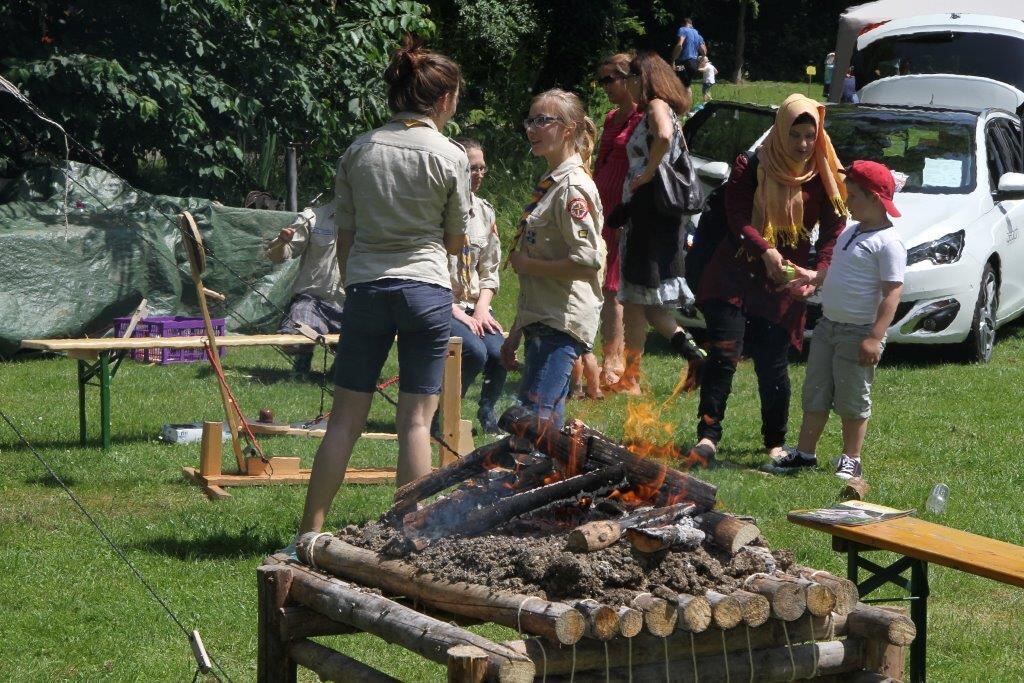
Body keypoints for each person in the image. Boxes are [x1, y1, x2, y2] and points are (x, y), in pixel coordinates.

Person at [292, 37, 470, 543]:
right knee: (416, 423)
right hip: (426, 289)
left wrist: (355, 285)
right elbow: (455, 239)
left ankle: (308, 533)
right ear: (443, 100)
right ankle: (408, 536)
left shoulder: (360, 150)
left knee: (343, 421)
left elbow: (344, 237)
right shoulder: (450, 155)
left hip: (367, 288)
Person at [691, 93, 847, 466]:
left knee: (773, 363)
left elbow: (833, 230)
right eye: (795, 134)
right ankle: (708, 436)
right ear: (779, 131)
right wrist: (766, 250)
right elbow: (736, 216)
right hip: (736, 270)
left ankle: (775, 441)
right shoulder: (751, 165)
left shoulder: (822, 173)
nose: (803, 144)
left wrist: (819, 273)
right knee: (724, 355)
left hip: (784, 281)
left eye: (810, 136)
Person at [769, 160, 905, 479]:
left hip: (858, 333)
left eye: (853, 195)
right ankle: (805, 454)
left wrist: (874, 337)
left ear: (875, 199)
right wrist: (812, 277)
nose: (847, 201)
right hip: (828, 327)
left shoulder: (888, 243)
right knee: (815, 392)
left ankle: (851, 458)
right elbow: (837, 271)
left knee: (852, 397)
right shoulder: (851, 232)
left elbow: (892, 294)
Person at [500, 89, 605, 428]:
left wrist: (528, 265)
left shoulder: (572, 189)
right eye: (530, 120)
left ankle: (537, 463)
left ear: (569, 129)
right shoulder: (552, 184)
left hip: (560, 321)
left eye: (543, 121)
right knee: (541, 422)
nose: (532, 129)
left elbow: (586, 262)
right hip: (542, 317)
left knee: (536, 422)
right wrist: (516, 331)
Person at [605, 51, 706, 397]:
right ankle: (695, 356)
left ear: (643, 78)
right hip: (652, 216)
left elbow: (662, 137)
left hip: (649, 218)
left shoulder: (656, 107)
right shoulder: (664, 108)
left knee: (635, 299)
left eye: (632, 77)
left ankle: (631, 379)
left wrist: (647, 173)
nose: (628, 84)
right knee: (649, 303)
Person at [593, 52, 645, 390]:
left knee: (614, 287)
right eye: (602, 81)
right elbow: (601, 161)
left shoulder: (644, 117)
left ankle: (616, 363)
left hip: (626, 208)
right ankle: (607, 356)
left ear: (628, 79)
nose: (605, 86)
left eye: (610, 79)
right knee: (602, 282)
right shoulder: (612, 117)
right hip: (602, 206)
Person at [448, 138, 507, 434]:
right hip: (445, 305)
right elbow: (428, 273)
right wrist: (460, 314)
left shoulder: (485, 212)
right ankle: (446, 414)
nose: (479, 174)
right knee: (473, 351)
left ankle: (487, 412)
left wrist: (482, 309)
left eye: (482, 168)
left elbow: (489, 270)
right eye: (473, 168)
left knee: (500, 353)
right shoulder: (438, 212)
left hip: (475, 305)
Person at [264, 199, 345, 374]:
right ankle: (302, 361)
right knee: (294, 338)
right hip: (312, 301)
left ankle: (342, 366)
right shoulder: (312, 217)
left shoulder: (370, 221)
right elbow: (276, 255)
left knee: (366, 343)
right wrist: (282, 242)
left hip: (352, 305)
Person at [670, 18, 707, 92]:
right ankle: (687, 99)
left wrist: (673, 60)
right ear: (691, 24)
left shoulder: (683, 29)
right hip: (693, 64)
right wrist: (701, 61)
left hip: (683, 63)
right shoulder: (698, 35)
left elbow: (679, 45)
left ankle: (680, 99)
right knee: (687, 85)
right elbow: (704, 51)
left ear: (683, 24)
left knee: (679, 85)